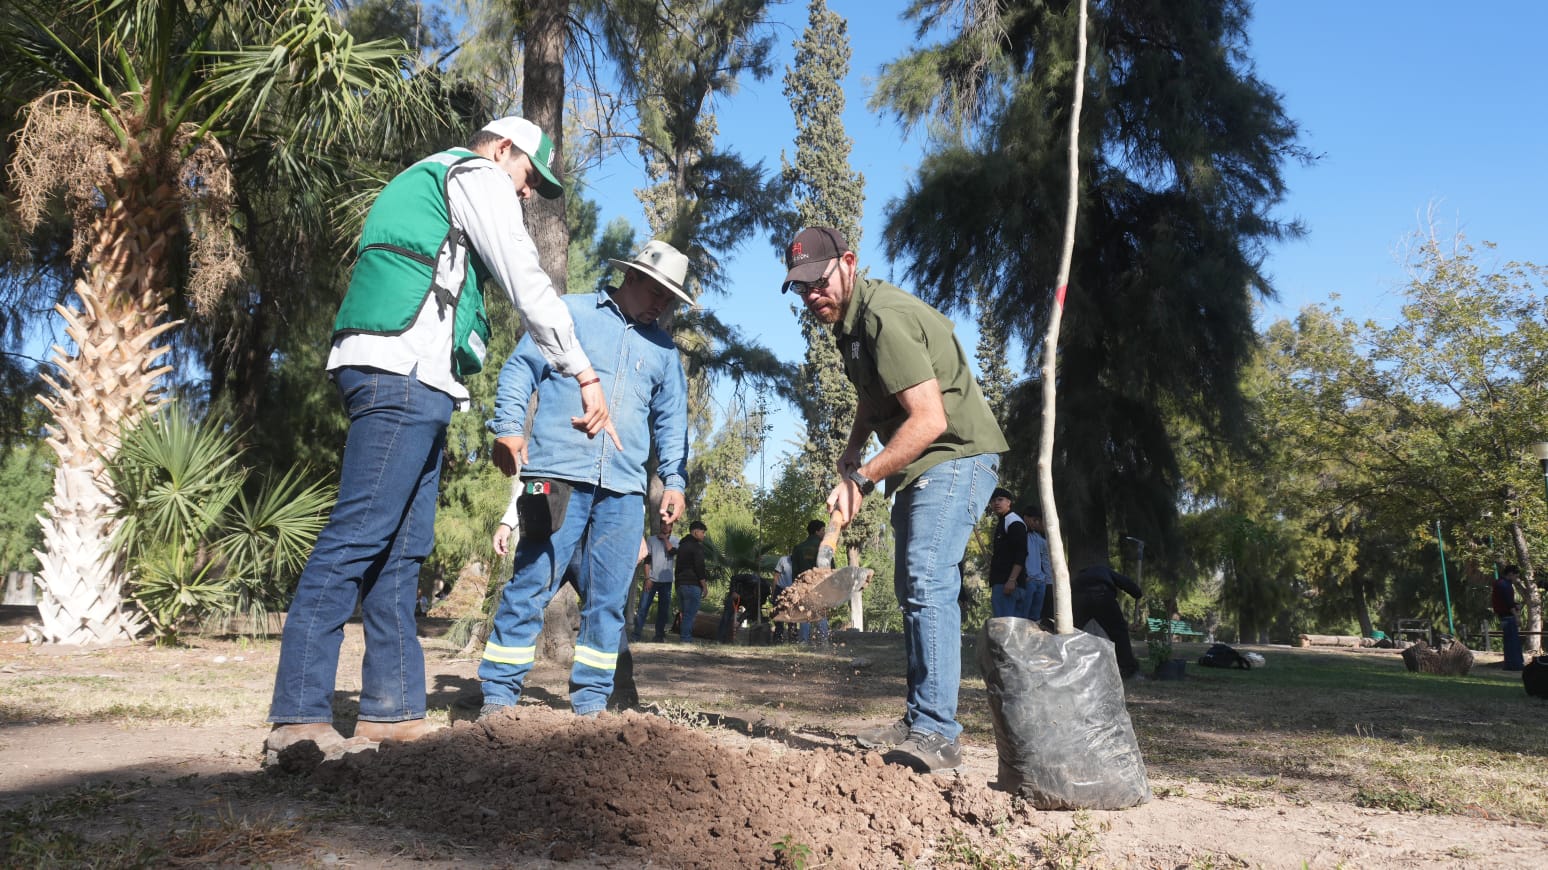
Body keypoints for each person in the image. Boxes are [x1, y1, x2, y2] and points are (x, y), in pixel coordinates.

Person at [266, 116, 618, 756]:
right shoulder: (474, 173)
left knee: (403, 548)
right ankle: (299, 715)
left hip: (413, 379)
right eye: (527, 175)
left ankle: (392, 710)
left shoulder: (432, 179)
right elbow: (522, 273)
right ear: (503, 149)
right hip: (398, 372)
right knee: (358, 534)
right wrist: (582, 369)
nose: (527, 192)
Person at [782, 227, 1006, 773]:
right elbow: (871, 394)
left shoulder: (883, 318)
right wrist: (853, 454)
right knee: (912, 587)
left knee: (928, 580)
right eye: (801, 287)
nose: (813, 295)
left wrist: (861, 482)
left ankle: (938, 732)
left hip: (955, 454)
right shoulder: (850, 326)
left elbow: (929, 419)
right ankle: (918, 719)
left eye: (819, 281)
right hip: (924, 463)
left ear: (848, 263)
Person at [478, 240, 692, 717]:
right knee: (530, 583)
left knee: (610, 602)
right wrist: (509, 428)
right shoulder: (567, 312)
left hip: (623, 491)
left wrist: (674, 481)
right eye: (658, 291)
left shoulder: (663, 350)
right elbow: (518, 369)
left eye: (671, 299)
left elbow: (671, 422)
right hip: (553, 477)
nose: (662, 305)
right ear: (631, 277)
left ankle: (591, 706)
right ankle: (497, 698)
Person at [1072, 564, 1145, 679]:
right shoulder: (1104, 570)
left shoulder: (1079, 576)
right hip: (1102, 595)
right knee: (1119, 632)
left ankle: (1068, 664)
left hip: (1079, 599)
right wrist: (1137, 592)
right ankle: (1128, 669)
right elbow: (1125, 582)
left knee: (1072, 631)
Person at [633, 521, 680, 642]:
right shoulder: (651, 540)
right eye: (663, 524)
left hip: (667, 581)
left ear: (671, 526)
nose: (665, 526)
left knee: (663, 610)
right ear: (660, 525)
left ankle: (659, 636)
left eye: (668, 524)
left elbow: (672, 552)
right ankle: (636, 635)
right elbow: (647, 560)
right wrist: (647, 578)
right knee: (643, 608)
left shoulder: (675, 540)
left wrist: (665, 539)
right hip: (652, 580)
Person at [987, 488, 1028, 619]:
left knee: (1005, 629)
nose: (996, 503)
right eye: (993, 501)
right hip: (1004, 583)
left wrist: (1012, 579)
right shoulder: (1003, 521)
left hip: (1008, 585)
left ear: (1008, 502)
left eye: (1000, 499)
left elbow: (1021, 553)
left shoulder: (1013, 521)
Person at [789, 519, 831, 644]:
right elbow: (830, 568)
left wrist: (795, 586)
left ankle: (803, 641)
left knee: (804, 613)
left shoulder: (798, 548)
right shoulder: (825, 548)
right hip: (820, 584)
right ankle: (823, 641)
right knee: (821, 612)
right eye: (823, 530)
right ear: (817, 531)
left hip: (803, 584)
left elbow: (794, 569)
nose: (825, 532)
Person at [674, 521, 709, 643]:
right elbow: (699, 567)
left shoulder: (682, 545)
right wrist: (704, 586)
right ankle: (685, 640)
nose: (704, 535)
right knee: (689, 614)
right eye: (703, 532)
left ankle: (684, 637)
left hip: (680, 585)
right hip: (692, 584)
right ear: (695, 531)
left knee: (684, 614)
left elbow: (677, 567)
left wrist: (677, 584)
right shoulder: (696, 547)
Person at [1022, 508, 1052, 623]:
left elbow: (1046, 559)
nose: (1037, 524)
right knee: (1023, 616)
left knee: (1035, 617)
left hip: (1040, 581)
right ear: (1026, 518)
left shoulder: (1038, 538)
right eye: (1035, 520)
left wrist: (1047, 580)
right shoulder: (1020, 533)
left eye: (1039, 521)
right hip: (1028, 580)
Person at [1494, 565, 1524, 671]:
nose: (1516, 579)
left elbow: (1504, 601)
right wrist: (1517, 616)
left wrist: (1515, 605)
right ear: (1510, 574)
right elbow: (1508, 603)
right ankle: (1515, 665)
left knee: (1508, 641)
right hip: (1508, 616)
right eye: (1516, 576)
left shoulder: (1499, 583)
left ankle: (1510, 664)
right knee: (1513, 641)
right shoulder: (1505, 585)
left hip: (1502, 615)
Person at [771, 553, 794, 641]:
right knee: (779, 615)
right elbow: (776, 577)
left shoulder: (799, 560)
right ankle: (778, 638)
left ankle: (792, 638)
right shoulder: (783, 560)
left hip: (793, 591)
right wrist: (773, 593)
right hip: (780, 589)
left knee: (792, 617)